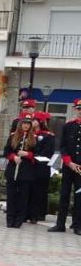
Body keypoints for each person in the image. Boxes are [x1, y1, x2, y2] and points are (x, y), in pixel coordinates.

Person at [48, 98, 81, 234]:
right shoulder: (68, 126)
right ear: (75, 110)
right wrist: (69, 162)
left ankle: (77, 225)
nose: (80, 111)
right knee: (64, 194)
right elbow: (63, 146)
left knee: (79, 197)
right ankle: (60, 224)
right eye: (78, 109)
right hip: (69, 166)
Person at [3, 116, 36, 229]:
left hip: (26, 172)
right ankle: (10, 219)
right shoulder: (13, 136)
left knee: (23, 197)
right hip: (13, 170)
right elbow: (6, 151)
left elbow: (38, 154)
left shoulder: (34, 138)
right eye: (24, 123)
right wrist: (13, 157)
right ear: (20, 124)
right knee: (11, 196)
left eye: (28, 124)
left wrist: (28, 154)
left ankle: (19, 220)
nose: (26, 125)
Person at [28, 111, 54, 223]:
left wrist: (34, 156)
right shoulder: (29, 134)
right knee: (29, 191)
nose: (32, 122)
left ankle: (39, 213)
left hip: (41, 168)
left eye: (34, 120)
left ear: (40, 122)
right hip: (29, 167)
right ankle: (28, 213)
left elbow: (48, 152)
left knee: (39, 191)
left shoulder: (47, 135)